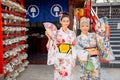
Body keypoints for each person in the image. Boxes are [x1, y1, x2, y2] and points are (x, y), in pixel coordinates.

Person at [45, 12, 76, 80]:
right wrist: (49, 38)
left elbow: (74, 47)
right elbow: (51, 45)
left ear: (69, 22)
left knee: (68, 75)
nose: (66, 23)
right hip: (59, 58)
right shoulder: (56, 33)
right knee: (58, 76)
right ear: (60, 21)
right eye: (64, 21)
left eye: (67, 21)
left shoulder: (72, 33)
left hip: (68, 58)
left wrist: (73, 59)